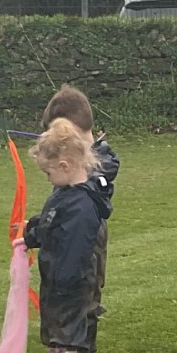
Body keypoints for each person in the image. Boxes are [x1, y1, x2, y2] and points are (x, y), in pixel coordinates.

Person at [20, 118, 112, 353]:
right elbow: (51, 225)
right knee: (53, 316)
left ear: (65, 166)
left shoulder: (82, 205)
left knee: (68, 319)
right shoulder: (64, 194)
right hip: (55, 271)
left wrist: (67, 275)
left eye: (48, 173)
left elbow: (77, 245)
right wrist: (30, 235)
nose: (47, 178)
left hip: (71, 276)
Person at [41, 84, 119, 317]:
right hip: (66, 232)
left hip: (86, 234)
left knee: (87, 289)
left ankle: (83, 328)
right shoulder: (69, 164)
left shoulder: (97, 162)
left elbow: (102, 174)